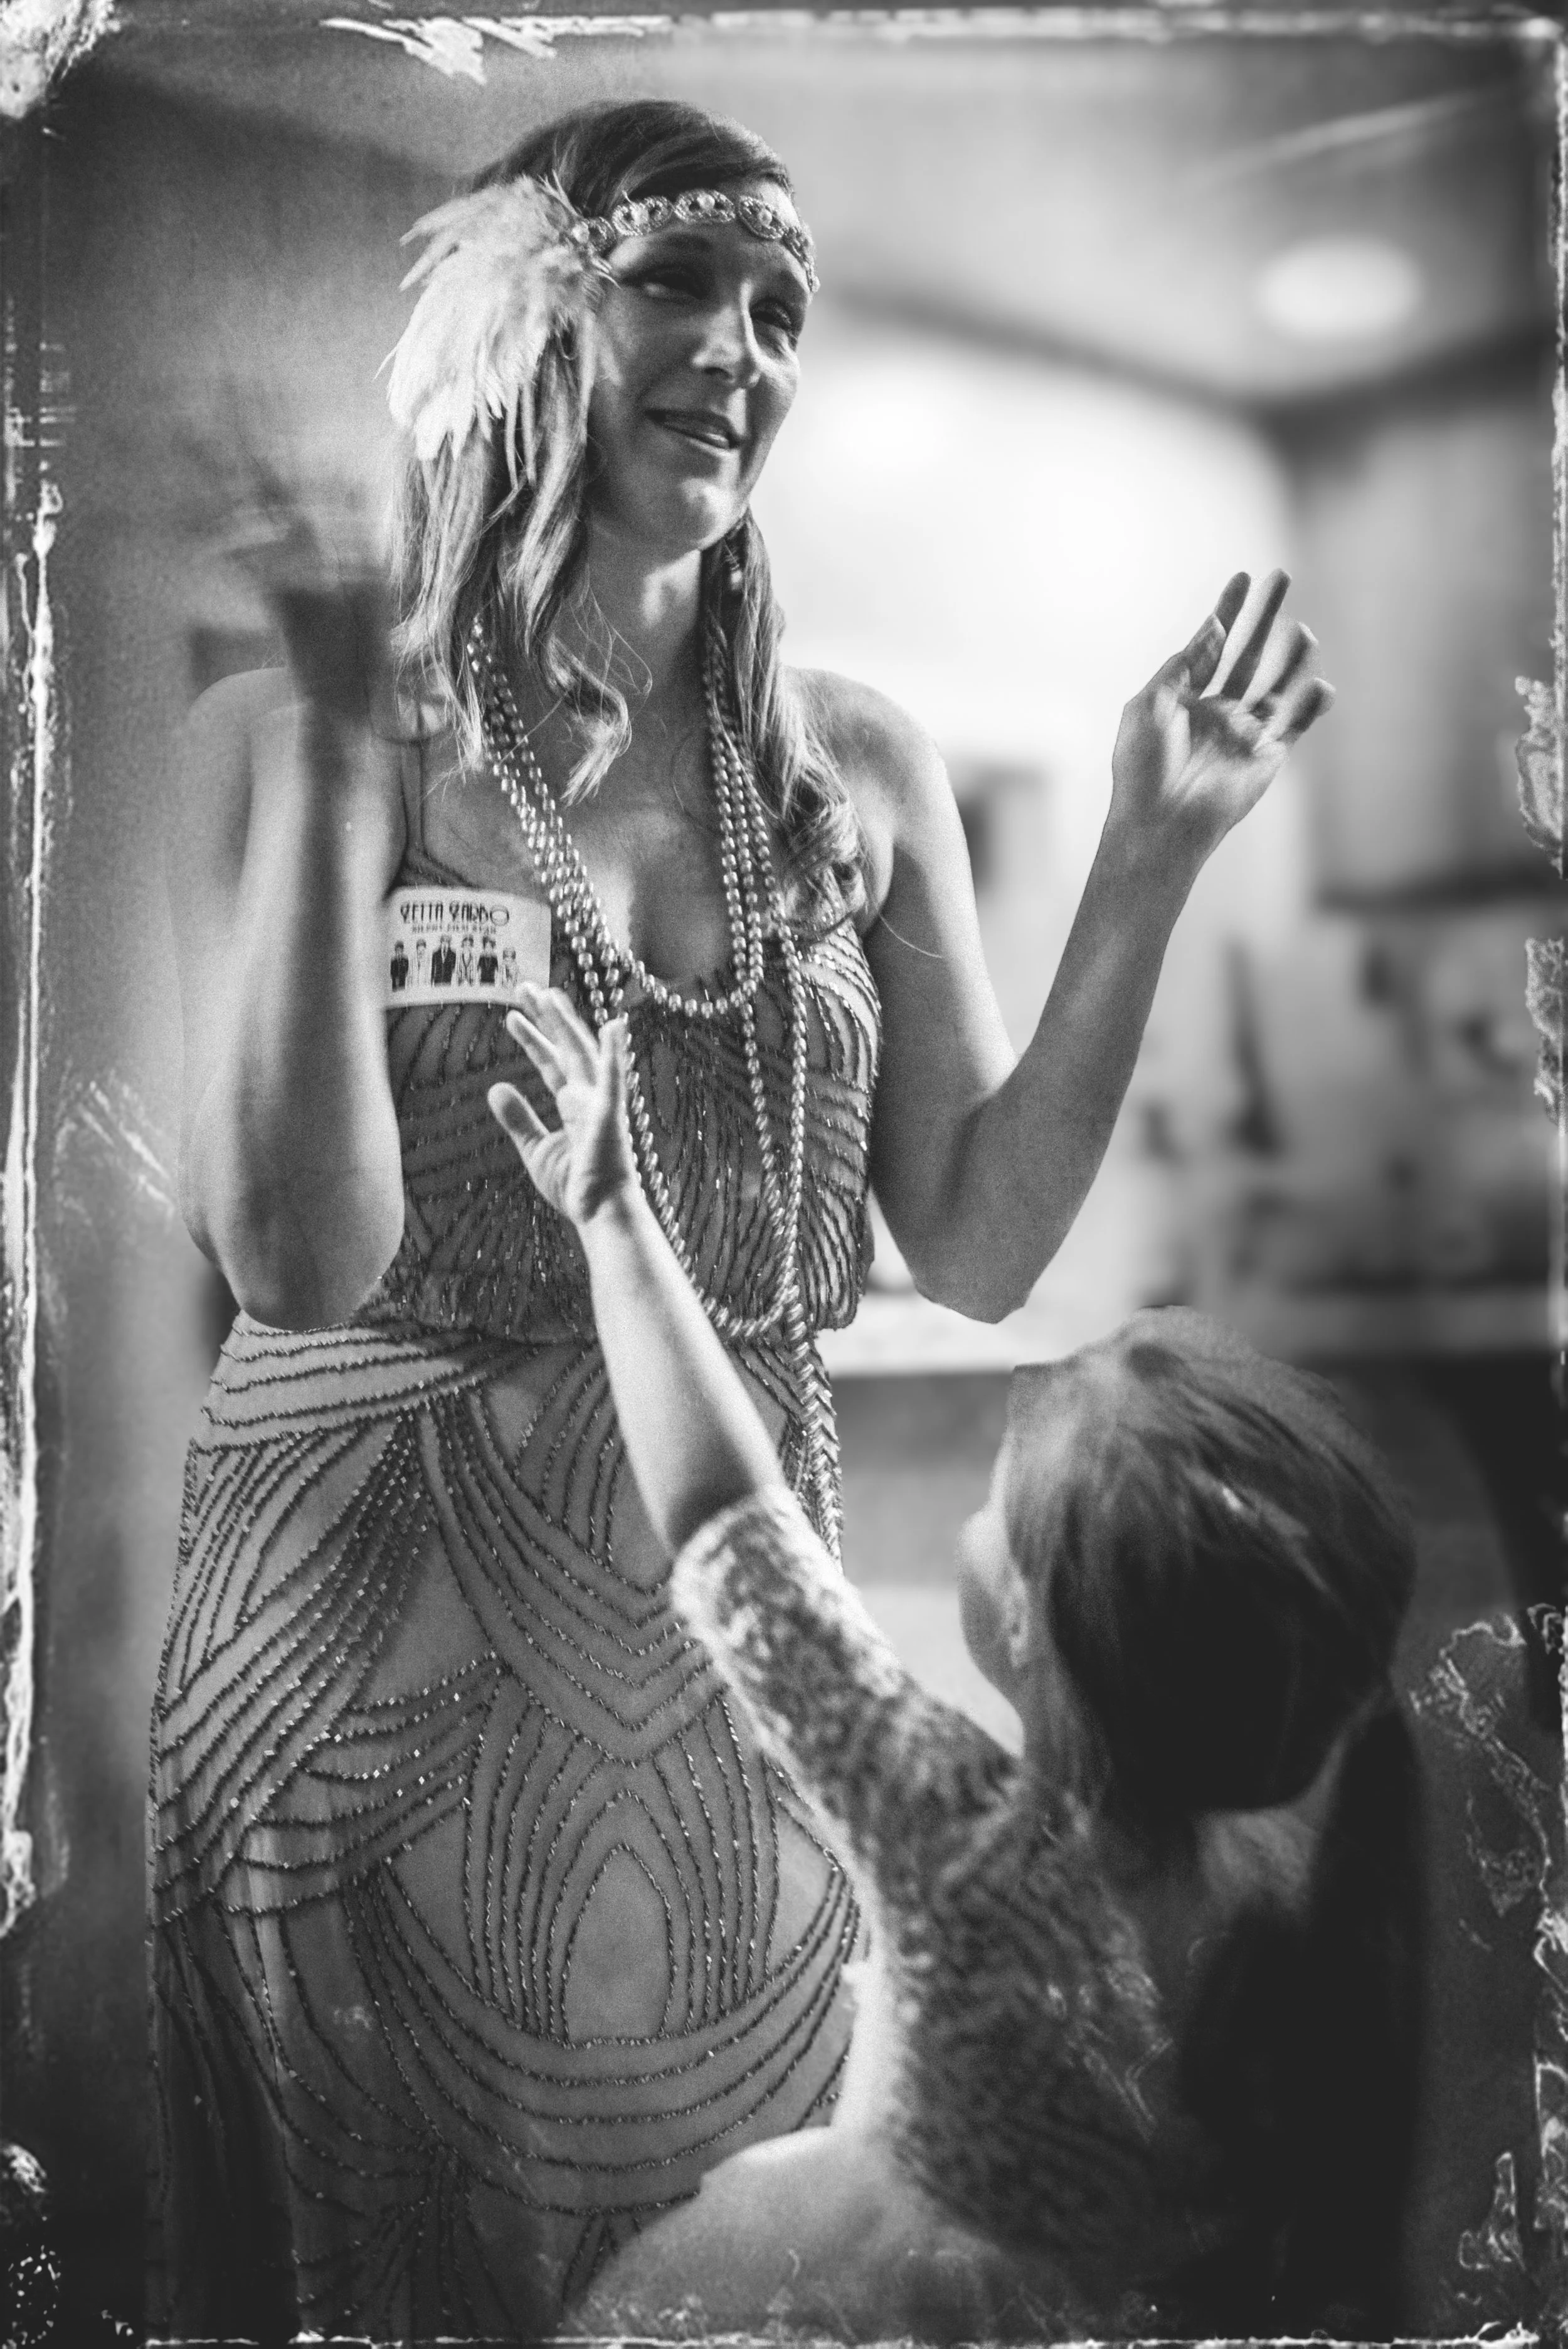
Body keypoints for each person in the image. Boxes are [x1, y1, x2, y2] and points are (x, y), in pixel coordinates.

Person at [153, 97, 1334, 2344]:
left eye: (781, 307)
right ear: (525, 324)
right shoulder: (295, 730)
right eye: (680, 283)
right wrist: (331, 751)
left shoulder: (856, 767)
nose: (739, 347)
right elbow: (300, 1258)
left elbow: (979, 1244)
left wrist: (1152, 858)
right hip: (352, 1682)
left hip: (732, 1669)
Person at [490, 998, 1424, 2342]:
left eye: (993, 1515)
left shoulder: (958, 1845)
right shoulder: (1304, 1898)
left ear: (1031, 1624)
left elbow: (726, 1525)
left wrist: (614, 1222)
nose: (970, 1532)